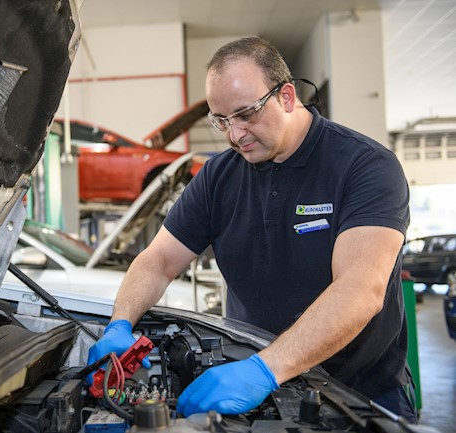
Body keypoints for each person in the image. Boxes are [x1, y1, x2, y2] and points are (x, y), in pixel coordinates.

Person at [87, 36, 415, 421]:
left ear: (287, 97)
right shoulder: (217, 177)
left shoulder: (365, 167)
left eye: (246, 114)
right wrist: (120, 323)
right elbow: (158, 260)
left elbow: (360, 289)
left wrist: (265, 369)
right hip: (258, 397)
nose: (234, 134)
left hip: (360, 396)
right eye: (221, 120)